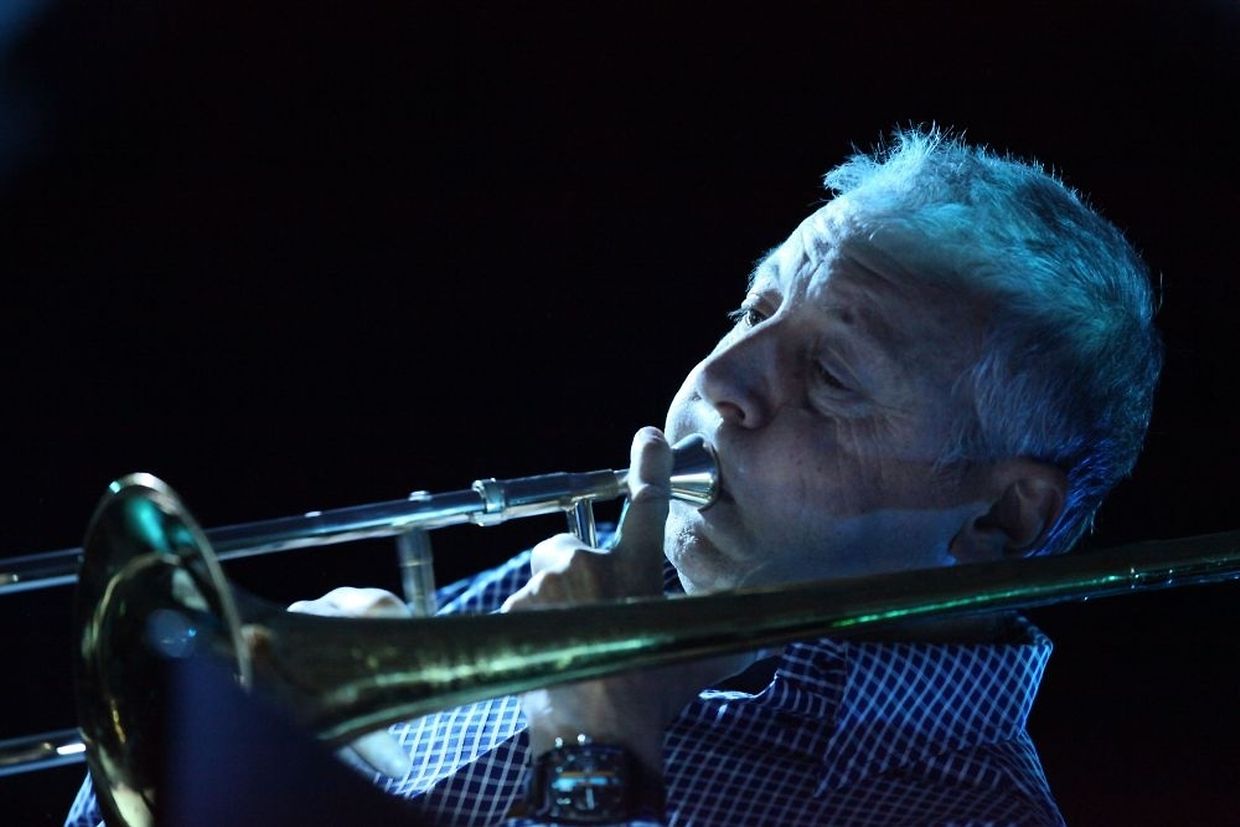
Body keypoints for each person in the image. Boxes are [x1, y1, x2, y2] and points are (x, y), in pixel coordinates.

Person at [67, 127, 1162, 826]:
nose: (721, 377)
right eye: (752, 308)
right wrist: (212, 753)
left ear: (999, 518)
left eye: (831, 373)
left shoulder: (964, 814)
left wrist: (596, 746)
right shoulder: (568, 583)